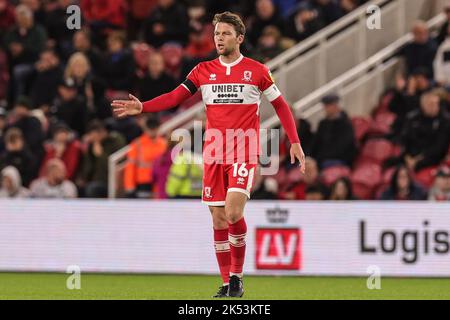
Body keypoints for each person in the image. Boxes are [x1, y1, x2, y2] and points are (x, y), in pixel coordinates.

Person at [111, 11, 305, 298]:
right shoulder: (202, 71)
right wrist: (145, 107)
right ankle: (227, 283)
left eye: (225, 33)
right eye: (216, 34)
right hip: (214, 152)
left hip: (243, 148)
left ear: (239, 38)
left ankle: (237, 278)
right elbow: (175, 96)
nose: (219, 38)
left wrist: (295, 141)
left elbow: (282, 107)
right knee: (217, 220)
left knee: (233, 211)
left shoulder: (258, 71)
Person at [400, 92, 450, 172]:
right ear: (423, 105)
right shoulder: (412, 118)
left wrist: (417, 160)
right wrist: (407, 157)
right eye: (431, 104)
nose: (436, 107)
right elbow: (404, 140)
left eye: (437, 104)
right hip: (410, 156)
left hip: (432, 157)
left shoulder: (445, 120)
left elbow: (439, 146)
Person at [78, 120, 126, 198]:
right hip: (94, 180)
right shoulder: (91, 145)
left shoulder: (115, 141)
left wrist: (101, 155)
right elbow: (87, 168)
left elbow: (112, 166)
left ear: (102, 132)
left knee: (92, 189)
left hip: (109, 181)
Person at [124, 117, 167, 198]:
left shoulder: (164, 144)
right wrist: (129, 186)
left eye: (154, 129)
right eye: (150, 129)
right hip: (143, 183)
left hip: (159, 182)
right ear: (145, 129)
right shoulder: (137, 144)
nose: (152, 131)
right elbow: (130, 166)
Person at [311, 93, 356, 168]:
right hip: (323, 159)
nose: (325, 108)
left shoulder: (345, 124)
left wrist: (321, 157)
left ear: (336, 106)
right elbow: (316, 143)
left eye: (328, 105)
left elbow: (343, 147)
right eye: (325, 106)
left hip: (340, 160)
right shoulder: (323, 124)